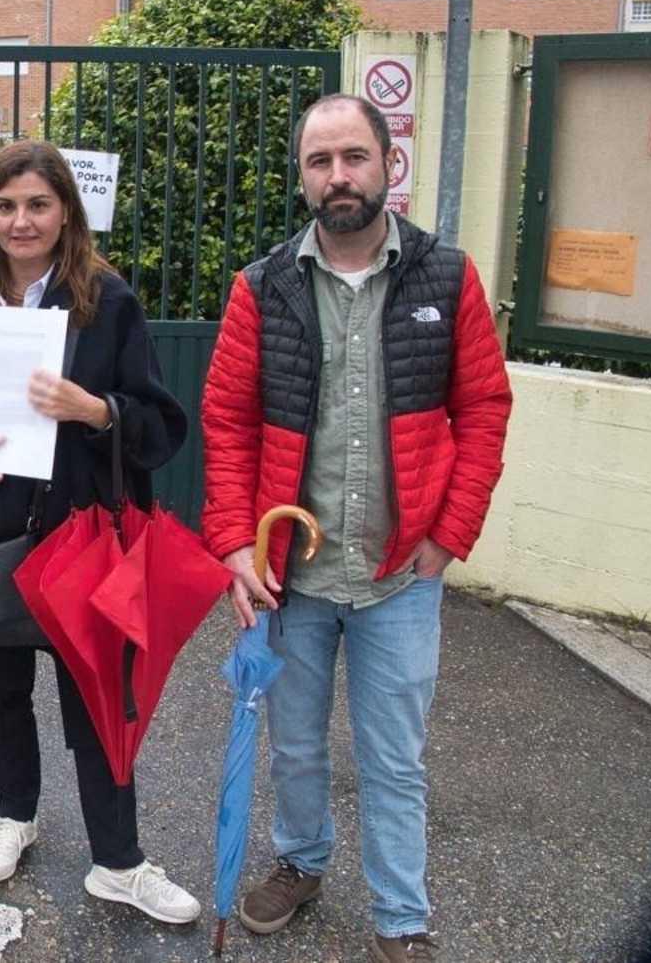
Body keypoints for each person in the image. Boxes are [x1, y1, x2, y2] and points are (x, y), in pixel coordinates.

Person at [200, 94, 513, 963]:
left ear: (388, 164)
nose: (338, 176)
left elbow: (484, 408)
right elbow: (228, 420)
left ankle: (401, 917)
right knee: (296, 745)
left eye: (354, 157)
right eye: (319, 161)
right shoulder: (261, 287)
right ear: (303, 177)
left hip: (399, 575)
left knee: (394, 757)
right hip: (291, 577)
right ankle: (301, 863)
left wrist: (448, 535)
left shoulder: (446, 277)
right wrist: (234, 544)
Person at [0, 140, 201, 924]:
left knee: (97, 701)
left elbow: (159, 425)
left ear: (66, 212)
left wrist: (96, 409)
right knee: (2, 691)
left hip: (82, 540)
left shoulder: (106, 301)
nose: (22, 221)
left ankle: (118, 859)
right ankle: (14, 814)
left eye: (38, 205)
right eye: (6, 205)